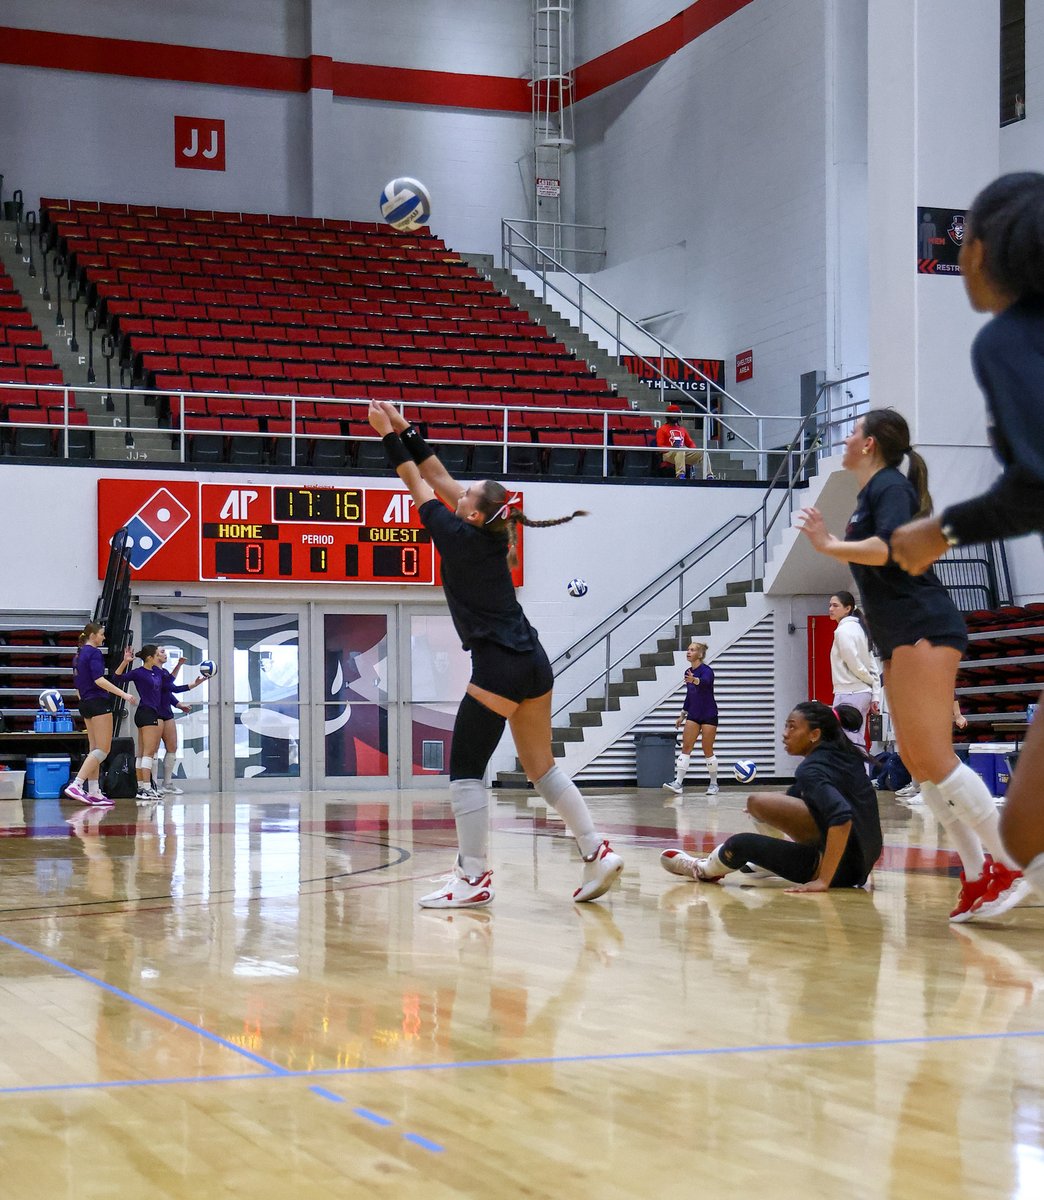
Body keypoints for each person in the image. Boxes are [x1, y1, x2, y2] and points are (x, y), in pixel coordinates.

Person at [366, 398, 624, 908]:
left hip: (500, 666)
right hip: (534, 660)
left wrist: (385, 436)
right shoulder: (482, 530)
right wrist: (405, 426)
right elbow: (437, 473)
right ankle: (596, 850)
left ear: (474, 513)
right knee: (542, 768)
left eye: (465, 496)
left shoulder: (458, 537)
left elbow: (417, 482)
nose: (457, 494)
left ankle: (472, 879)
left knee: (465, 768)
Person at [796, 407, 1029, 922]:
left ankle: (1012, 863)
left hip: (925, 624)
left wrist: (829, 544)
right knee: (922, 770)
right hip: (897, 635)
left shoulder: (890, 488)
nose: (847, 436)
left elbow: (893, 549)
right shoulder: (869, 495)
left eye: (854, 430)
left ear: (872, 443)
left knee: (936, 760)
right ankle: (975, 875)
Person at [889, 171, 1044, 908]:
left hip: (920, 632)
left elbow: (1036, 484)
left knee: (1023, 833)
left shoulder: (1009, 339)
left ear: (980, 251)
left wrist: (941, 529)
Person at [660, 702, 882, 891]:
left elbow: (841, 817)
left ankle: (703, 869)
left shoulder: (811, 769)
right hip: (861, 862)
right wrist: (767, 812)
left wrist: (824, 880)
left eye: (792, 728)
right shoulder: (843, 755)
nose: (785, 734)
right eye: (786, 726)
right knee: (758, 803)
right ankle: (771, 862)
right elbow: (798, 797)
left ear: (815, 734)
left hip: (839, 870)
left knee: (740, 844)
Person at [64, 622, 137, 807]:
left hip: (85, 703)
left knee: (94, 749)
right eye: (102, 634)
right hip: (98, 703)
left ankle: (94, 791)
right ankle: (77, 784)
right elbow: (99, 680)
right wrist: (124, 694)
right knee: (104, 749)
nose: (104, 638)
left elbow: (79, 684)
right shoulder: (94, 653)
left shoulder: (78, 654)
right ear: (93, 635)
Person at [662, 641, 719, 796]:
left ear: (699, 654)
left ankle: (713, 784)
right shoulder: (688, 671)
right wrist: (682, 715)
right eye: (688, 650)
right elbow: (690, 694)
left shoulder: (707, 671)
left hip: (709, 714)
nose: (688, 652)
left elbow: (705, 683)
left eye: (692, 650)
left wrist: (695, 680)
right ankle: (678, 783)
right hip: (694, 714)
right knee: (686, 747)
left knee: (707, 749)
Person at [827, 590, 880, 745]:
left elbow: (854, 663)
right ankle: (862, 770)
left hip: (849, 693)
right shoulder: (861, 629)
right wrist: (875, 692)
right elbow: (872, 664)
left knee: (847, 741)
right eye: (830, 605)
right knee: (857, 740)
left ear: (848, 608)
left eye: (835, 605)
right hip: (862, 694)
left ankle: (856, 770)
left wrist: (870, 682)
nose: (830, 609)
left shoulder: (842, 631)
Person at [115, 645, 166, 801]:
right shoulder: (139, 672)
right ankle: (146, 788)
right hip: (146, 713)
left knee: (142, 753)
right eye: (157, 654)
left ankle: (140, 789)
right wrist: (125, 662)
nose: (160, 656)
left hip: (151, 712)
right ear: (150, 657)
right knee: (148, 753)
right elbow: (117, 678)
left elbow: (171, 684)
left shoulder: (157, 672)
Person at [153, 647, 204, 795]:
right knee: (153, 750)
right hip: (154, 713)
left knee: (172, 746)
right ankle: (153, 784)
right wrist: (193, 684)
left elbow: (167, 691)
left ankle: (167, 783)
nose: (165, 654)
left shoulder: (163, 672)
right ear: (153, 656)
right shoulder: (152, 672)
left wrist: (178, 705)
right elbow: (173, 688)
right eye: (161, 652)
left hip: (166, 713)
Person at [655, 405, 702, 479]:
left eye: (676, 413)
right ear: (668, 415)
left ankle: (709, 475)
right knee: (680, 449)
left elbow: (690, 443)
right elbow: (660, 446)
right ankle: (680, 475)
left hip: (682, 453)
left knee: (703, 453)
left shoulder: (682, 429)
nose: (675, 416)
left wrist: (692, 450)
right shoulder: (662, 429)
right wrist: (672, 448)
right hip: (668, 454)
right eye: (672, 413)